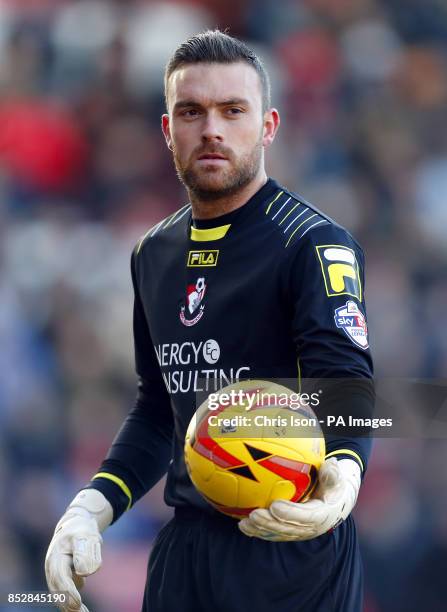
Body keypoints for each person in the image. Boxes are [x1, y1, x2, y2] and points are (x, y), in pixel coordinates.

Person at [45, 30, 374, 612]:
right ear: (168, 130)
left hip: (288, 545)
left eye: (233, 110)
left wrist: (342, 481)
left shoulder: (313, 243)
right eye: (192, 112)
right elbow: (158, 407)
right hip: (186, 551)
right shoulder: (153, 252)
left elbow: (346, 382)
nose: (212, 129)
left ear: (268, 126)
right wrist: (92, 506)